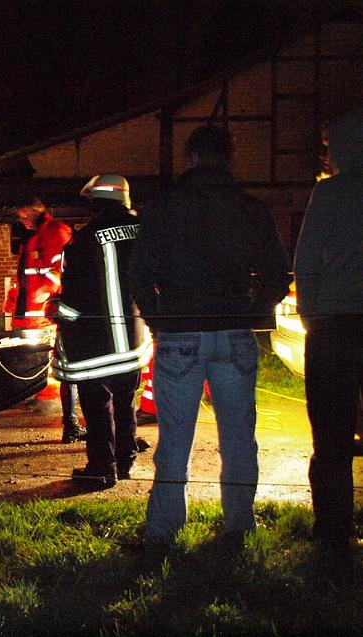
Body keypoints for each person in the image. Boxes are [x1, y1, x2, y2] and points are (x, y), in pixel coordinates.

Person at [129, 125, 292, 545]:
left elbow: (140, 273)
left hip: (182, 330)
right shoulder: (251, 208)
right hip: (234, 330)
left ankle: (163, 531)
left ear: (191, 158)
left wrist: (158, 316)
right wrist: (255, 310)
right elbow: (277, 272)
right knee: (239, 439)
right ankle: (238, 527)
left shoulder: (164, 206)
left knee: (174, 440)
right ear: (229, 158)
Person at [50, 175, 152, 488]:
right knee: (125, 404)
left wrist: (56, 310)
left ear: (96, 201)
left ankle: (101, 469)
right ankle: (125, 462)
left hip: (97, 347)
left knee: (97, 409)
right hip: (134, 344)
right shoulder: (144, 231)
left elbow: (73, 300)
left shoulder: (84, 240)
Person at [294, 108, 363, 554]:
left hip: (335, 328)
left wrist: (309, 315)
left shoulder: (330, 196)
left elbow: (306, 261)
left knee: (332, 438)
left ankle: (334, 535)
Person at [2, 196, 83, 443]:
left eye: (24, 215)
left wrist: (48, 287)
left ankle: (49, 400)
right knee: (35, 354)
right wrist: (12, 299)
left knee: (49, 354)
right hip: (30, 309)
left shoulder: (55, 232)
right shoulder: (34, 238)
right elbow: (24, 274)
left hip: (45, 310)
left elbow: (61, 266)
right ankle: (41, 395)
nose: (22, 220)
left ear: (35, 211)